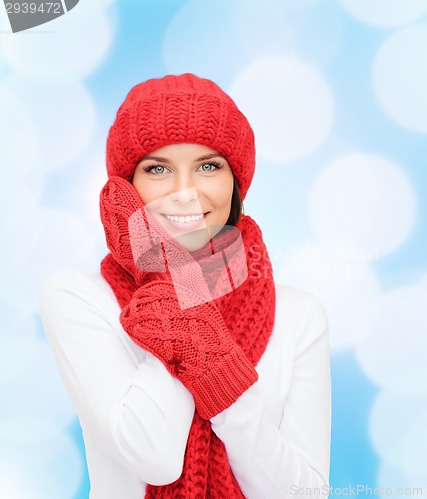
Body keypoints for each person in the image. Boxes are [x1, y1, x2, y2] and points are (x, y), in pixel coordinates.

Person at [40, 73, 331, 498]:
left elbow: (302, 493)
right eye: (157, 168)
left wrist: (214, 366)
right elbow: (154, 456)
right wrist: (169, 280)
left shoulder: (300, 314)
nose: (184, 193)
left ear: (235, 182)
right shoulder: (79, 298)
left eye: (208, 166)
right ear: (127, 187)